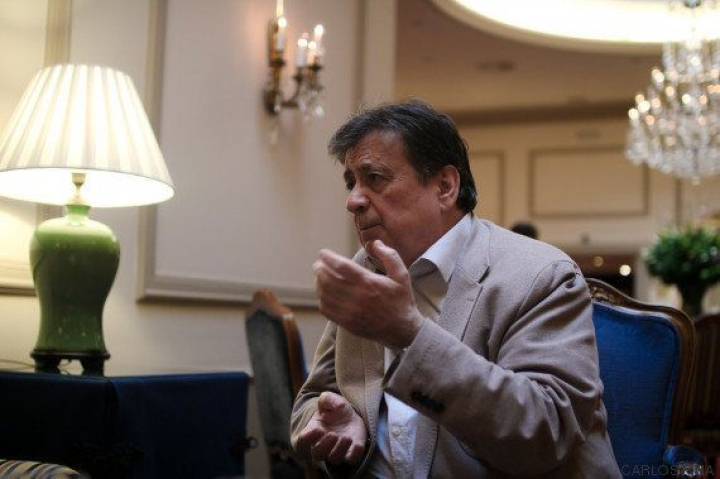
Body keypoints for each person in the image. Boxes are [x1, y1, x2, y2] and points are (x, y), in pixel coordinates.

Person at [291, 100, 620, 478]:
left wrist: (408, 333)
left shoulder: (541, 275)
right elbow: (310, 401)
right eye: (352, 183)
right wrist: (340, 428)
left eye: (375, 178)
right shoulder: (364, 273)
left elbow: (545, 431)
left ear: (445, 187)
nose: (353, 201)